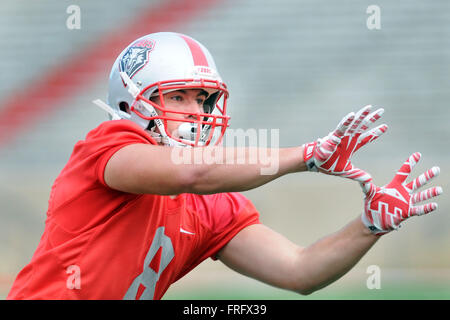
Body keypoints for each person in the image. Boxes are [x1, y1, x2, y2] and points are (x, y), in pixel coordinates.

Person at [7, 32, 442, 300]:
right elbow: (189, 172)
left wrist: (368, 226)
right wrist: (306, 155)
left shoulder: (210, 209)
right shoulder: (109, 147)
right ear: (131, 99)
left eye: (203, 98)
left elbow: (299, 271)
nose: (197, 111)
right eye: (178, 97)